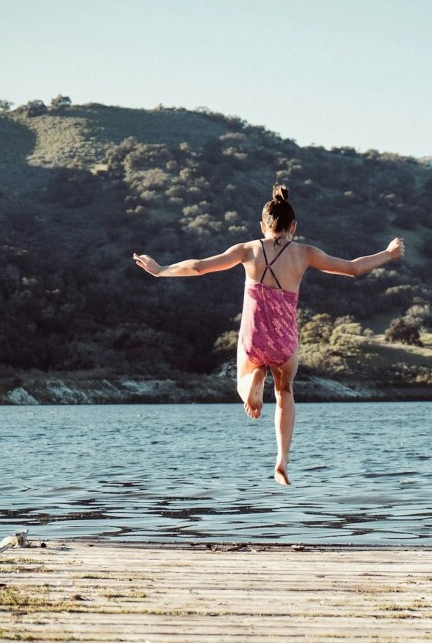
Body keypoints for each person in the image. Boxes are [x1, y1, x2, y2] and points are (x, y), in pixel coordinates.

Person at [132, 183, 405, 485]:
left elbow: (198, 268)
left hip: (254, 338)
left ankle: (254, 378)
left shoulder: (248, 250)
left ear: (262, 225)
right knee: (285, 392)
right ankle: (282, 460)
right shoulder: (305, 253)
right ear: (294, 227)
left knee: (243, 383)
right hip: (284, 342)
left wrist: (160, 269)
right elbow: (353, 268)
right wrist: (388, 254)